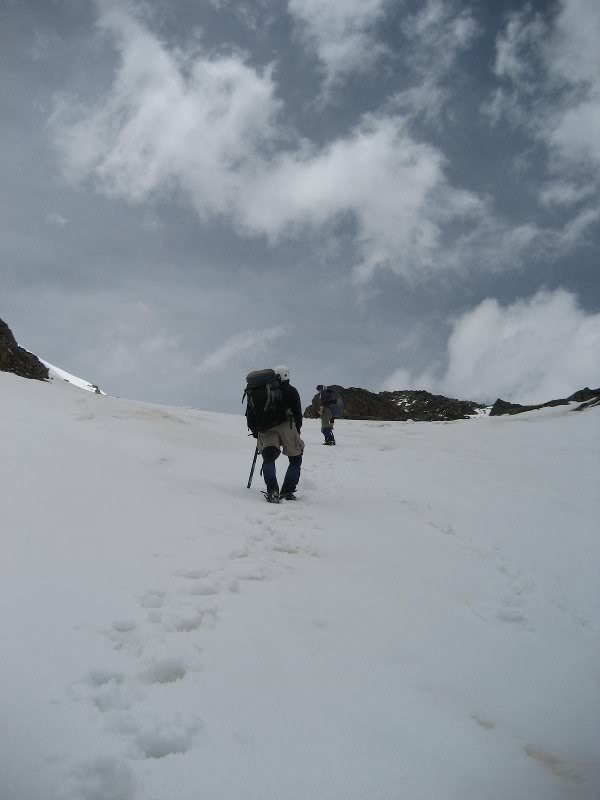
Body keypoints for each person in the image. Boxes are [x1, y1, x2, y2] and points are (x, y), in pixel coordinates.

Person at [247, 365, 304, 502]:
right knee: (295, 459)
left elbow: (250, 414)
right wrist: (297, 429)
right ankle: (287, 491)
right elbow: (297, 412)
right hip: (287, 426)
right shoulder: (291, 390)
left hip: (265, 429)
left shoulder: (258, 391)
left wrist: (256, 432)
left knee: (269, 458)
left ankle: (273, 491)